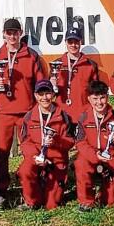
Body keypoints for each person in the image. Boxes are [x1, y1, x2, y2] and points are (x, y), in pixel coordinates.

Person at [0, 18, 45, 194]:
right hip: (4, 112)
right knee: (1, 151)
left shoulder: (32, 55)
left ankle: (30, 183)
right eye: (9, 32)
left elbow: (40, 82)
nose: (12, 36)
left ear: (21, 33)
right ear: (4, 34)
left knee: (30, 149)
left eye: (15, 32)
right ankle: (2, 187)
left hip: (26, 111)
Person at [73, 80, 114, 211]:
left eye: (102, 98)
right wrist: (95, 156)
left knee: (111, 202)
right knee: (81, 164)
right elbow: (80, 143)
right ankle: (86, 201)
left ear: (107, 96)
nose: (99, 102)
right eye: (95, 98)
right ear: (89, 99)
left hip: (112, 156)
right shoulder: (83, 117)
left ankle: (104, 190)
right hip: (91, 156)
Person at [16, 80, 75, 210]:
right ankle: (31, 202)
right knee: (25, 170)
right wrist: (36, 157)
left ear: (53, 95)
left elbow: (71, 142)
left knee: (52, 204)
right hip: (36, 157)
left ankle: (50, 192)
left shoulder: (63, 116)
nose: (44, 98)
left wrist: (56, 141)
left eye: (47, 93)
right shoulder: (29, 116)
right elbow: (25, 142)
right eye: (41, 94)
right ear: (36, 96)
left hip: (57, 159)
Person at [49, 26, 99, 117]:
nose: (73, 45)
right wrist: (52, 85)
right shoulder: (56, 64)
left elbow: (95, 92)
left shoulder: (90, 65)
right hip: (61, 113)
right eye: (70, 42)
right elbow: (50, 94)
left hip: (83, 113)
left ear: (81, 42)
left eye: (76, 42)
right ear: (65, 43)